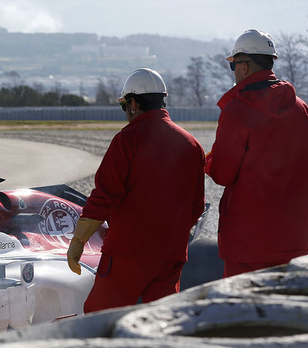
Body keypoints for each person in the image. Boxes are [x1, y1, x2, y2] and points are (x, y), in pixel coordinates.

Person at [67, 68, 206, 313]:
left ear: (133, 103)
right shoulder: (192, 145)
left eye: (124, 106)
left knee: (100, 318)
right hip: (170, 254)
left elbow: (104, 196)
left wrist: (79, 240)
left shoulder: (128, 139)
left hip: (127, 253)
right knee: (162, 321)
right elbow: (196, 206)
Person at [206, 29, 308, 277]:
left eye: (233, 65)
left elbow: (223, 173)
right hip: (293, 238)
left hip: (248, 243)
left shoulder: (238, 109)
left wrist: (208, 160)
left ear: (244, 66)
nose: (233, 72)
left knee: (241, 311)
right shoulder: (302, 109)